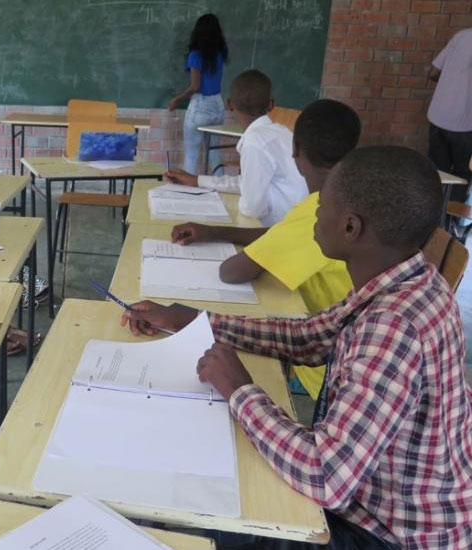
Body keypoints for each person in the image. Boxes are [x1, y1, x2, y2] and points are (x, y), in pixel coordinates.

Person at [122, 146, 472, 548]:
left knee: (214, 519)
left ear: (350, 228)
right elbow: (307, 338)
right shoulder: (405, 282)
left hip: (390, 534)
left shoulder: (394, 326)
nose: (314, 214)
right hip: (373, 501)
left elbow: (326, 477)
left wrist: (240, 390)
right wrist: (197, 321)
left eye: (322, 205)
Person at [171, 99, 361, 399]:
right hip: (322, 341)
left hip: (324, 371)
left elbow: (231, 272)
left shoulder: (322, 210)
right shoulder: (348, 198)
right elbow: (281, 234)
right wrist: (215, 231)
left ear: (295, 150)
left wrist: (239, 390)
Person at [166, 70, 307, 227]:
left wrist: (231, 203)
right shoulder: (282, 132)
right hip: (296, 221)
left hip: (279, 228)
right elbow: (246, 184)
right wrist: (198, 180)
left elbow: (252, 208)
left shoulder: (255, 142)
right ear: (271, 104)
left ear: (229, 105)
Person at [168, 13, 228, 175]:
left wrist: (176, 99)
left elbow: (195, 86)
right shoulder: (220, 54)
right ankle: (221, 186)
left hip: (200, 106)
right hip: (218, 105)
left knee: (192, 155)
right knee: (214, 153)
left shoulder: (195, 55)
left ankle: (188, 194)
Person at [427, 27, 472, 202]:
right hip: (465, 124)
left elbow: (433, 72)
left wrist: (452, 83)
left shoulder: (461, 37)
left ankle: (432, 220)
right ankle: (452, 222)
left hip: (439, 116)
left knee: (437, 173)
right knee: (462, 175)